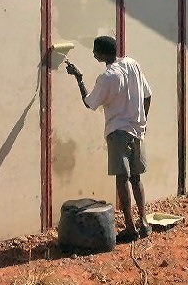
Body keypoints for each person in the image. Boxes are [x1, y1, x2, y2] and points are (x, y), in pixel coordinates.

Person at [65, 36, 152, 242]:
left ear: (103, 54)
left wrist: (79, 77)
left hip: (118, 132)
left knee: (122, 178)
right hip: (137, 131)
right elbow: (148, 96)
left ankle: (130, 228)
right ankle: (144, 223)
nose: (93, 54)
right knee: (136, 178)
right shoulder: (133, 65)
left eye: (95, 52)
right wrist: (142, 121)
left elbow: (90, 102)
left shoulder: (107, 77)